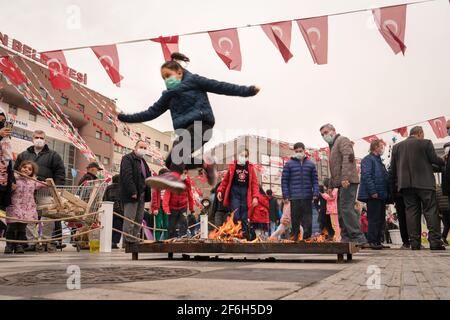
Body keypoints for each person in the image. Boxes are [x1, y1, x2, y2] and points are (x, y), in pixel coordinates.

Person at [117, 52, 260, 191]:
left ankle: (175, 176)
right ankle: (206, 164)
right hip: (185, 131)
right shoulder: (168, 96)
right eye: (164, 78)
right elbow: (150, 113)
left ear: (180, 73)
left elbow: (220, 86)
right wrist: (125, 117)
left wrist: (248, 91)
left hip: (202, 125)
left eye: (168, 75)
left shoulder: (194, 81)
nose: (167, 80)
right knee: (170, 161)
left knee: (180, 148)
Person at [390, 126, 445, 250]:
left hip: (406, 185)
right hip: (425, 183)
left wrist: (395, 188)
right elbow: (434, 160)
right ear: (420, 133)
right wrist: (443, 160)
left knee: (411, 212)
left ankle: (414, 243)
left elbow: (393, 169)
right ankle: (435, 242)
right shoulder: (426, 143)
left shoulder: (397, 147)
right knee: (430, 211)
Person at [14, 130, 66, 251]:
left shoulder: (54, 155)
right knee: (29, 217)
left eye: (41, 138)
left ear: (45, 140)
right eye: (36, 137)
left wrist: (57, 190)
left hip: (46, 191)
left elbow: (60, 173)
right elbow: (15, 171)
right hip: (26, 192)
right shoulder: (23, 155)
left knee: (48, 216)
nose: (39, 139)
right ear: (32, 138)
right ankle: (32, 242)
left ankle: (46, 240)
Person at [319, 124, 367, 245]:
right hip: (340, 183)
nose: (324, 135)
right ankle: (346, 237)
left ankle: (357, 237)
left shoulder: (342, 140)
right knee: (341, 211)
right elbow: (335, 169)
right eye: (322, 134)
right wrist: (330, 185)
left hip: (348, 181)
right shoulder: (332, 146)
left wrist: (346, 177)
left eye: (326, 132)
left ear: (333, 131)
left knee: (346, 209)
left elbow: (349, 158)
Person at [217, 148, 259, 239]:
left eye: (245, 156)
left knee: (244, 216)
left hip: (245, 193)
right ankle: (236, 233)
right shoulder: (233, 166)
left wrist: (255, 197)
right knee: (235, 214)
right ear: (237, 156)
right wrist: (220, 190)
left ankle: (244, 235)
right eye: (241, 155)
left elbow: (254, 183)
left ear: (247, 157)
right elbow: (225, 180)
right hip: (235, 192)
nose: (243, 157)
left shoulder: (250, 167)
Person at [5, 161, 46, 254]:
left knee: (22, 228)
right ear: (20, 168)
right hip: (15, 206)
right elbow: (5, 186)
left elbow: (43, 184)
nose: (26, 169)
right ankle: (9, 245)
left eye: (29, 169)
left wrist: (48, 183)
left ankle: (19, 245)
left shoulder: (33, 182)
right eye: (24, 167)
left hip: (27, 208)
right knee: (12, 226)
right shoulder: (14, 178)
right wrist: (11, 187)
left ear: (32, 172)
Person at [281, 142, 319, 241]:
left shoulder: (310, 164)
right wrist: (285, 195)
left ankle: (307, 238)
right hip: (294, 196)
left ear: (304, 150)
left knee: (308, 219)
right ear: (294, 151)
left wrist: (315, 192)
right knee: (295, 219)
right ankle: (295, 238)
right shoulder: (289, 164)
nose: (298, 153)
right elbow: (284, 180)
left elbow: (315, 180)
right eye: (297, 151)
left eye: (300, 151)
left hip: (307, 196)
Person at [357, 140, 389, 250]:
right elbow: (367, 176)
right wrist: (373, 191)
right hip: (374, 195)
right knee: (374, 218)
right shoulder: (368, 159)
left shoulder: (379, 161)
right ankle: (372, 241)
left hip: (381, 195)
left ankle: (378, 240)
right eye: (381, 146)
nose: (382, 149)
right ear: (375, 147)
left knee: (380, 218)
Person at [119, 140, 152, 247]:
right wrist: (132, 191)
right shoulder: (128, 158)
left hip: (142, 193)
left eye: (144, 148)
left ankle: (133, 238)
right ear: (135, 147)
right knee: (130, 218)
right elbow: (127, 176)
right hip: (132, 194)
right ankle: (127, 240)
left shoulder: (143, 161)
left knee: (139, 218)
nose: (142, 149)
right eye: (141, 147)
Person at [163, 169, 194, 238]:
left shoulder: (187, 182)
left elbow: (190, 195)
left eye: (185, 173)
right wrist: (166, 208)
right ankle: (171, 240)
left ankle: (182, 239)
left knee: (184, 224)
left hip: (183, 207)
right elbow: (167, 195)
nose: (184, 175)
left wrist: (191, 208)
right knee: (171, 226)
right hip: (172, 208)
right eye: (183, 173)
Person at [103, 174, 123, 249]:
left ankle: (108, 242)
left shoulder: (108, 188)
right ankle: (114, 242)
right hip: (120, 211)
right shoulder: (122, 188)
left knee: (109, 227)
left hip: (109, 210)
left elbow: (104, 198)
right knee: (118, 227)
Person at [0, 108, 14, 212]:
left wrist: (12, 180)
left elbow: (9, 162)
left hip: (3, 186)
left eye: (3, 121)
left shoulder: (6, 140)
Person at [151, 168, 170, 241]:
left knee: (166, 224)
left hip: (166, 205)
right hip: (159, 205)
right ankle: (157, 240)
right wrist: (155, 208)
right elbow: (154, 196)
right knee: (158, 224)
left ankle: (166, 240)